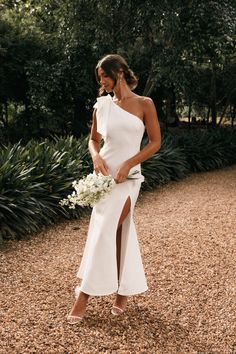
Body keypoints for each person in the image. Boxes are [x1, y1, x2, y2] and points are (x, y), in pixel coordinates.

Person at [67, 54, 161, 324]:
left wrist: (129, 164)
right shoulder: (102, 105)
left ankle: (83, 296)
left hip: (129, 180)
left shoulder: (145, 104)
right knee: (116, 232)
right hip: (103, 180)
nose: (102, 82)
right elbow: (93, 140)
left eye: (104, 76)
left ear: (118, 72)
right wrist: (96, 157)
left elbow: (154, 142)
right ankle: (123, 292)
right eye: (100, 78)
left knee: (106, 230)